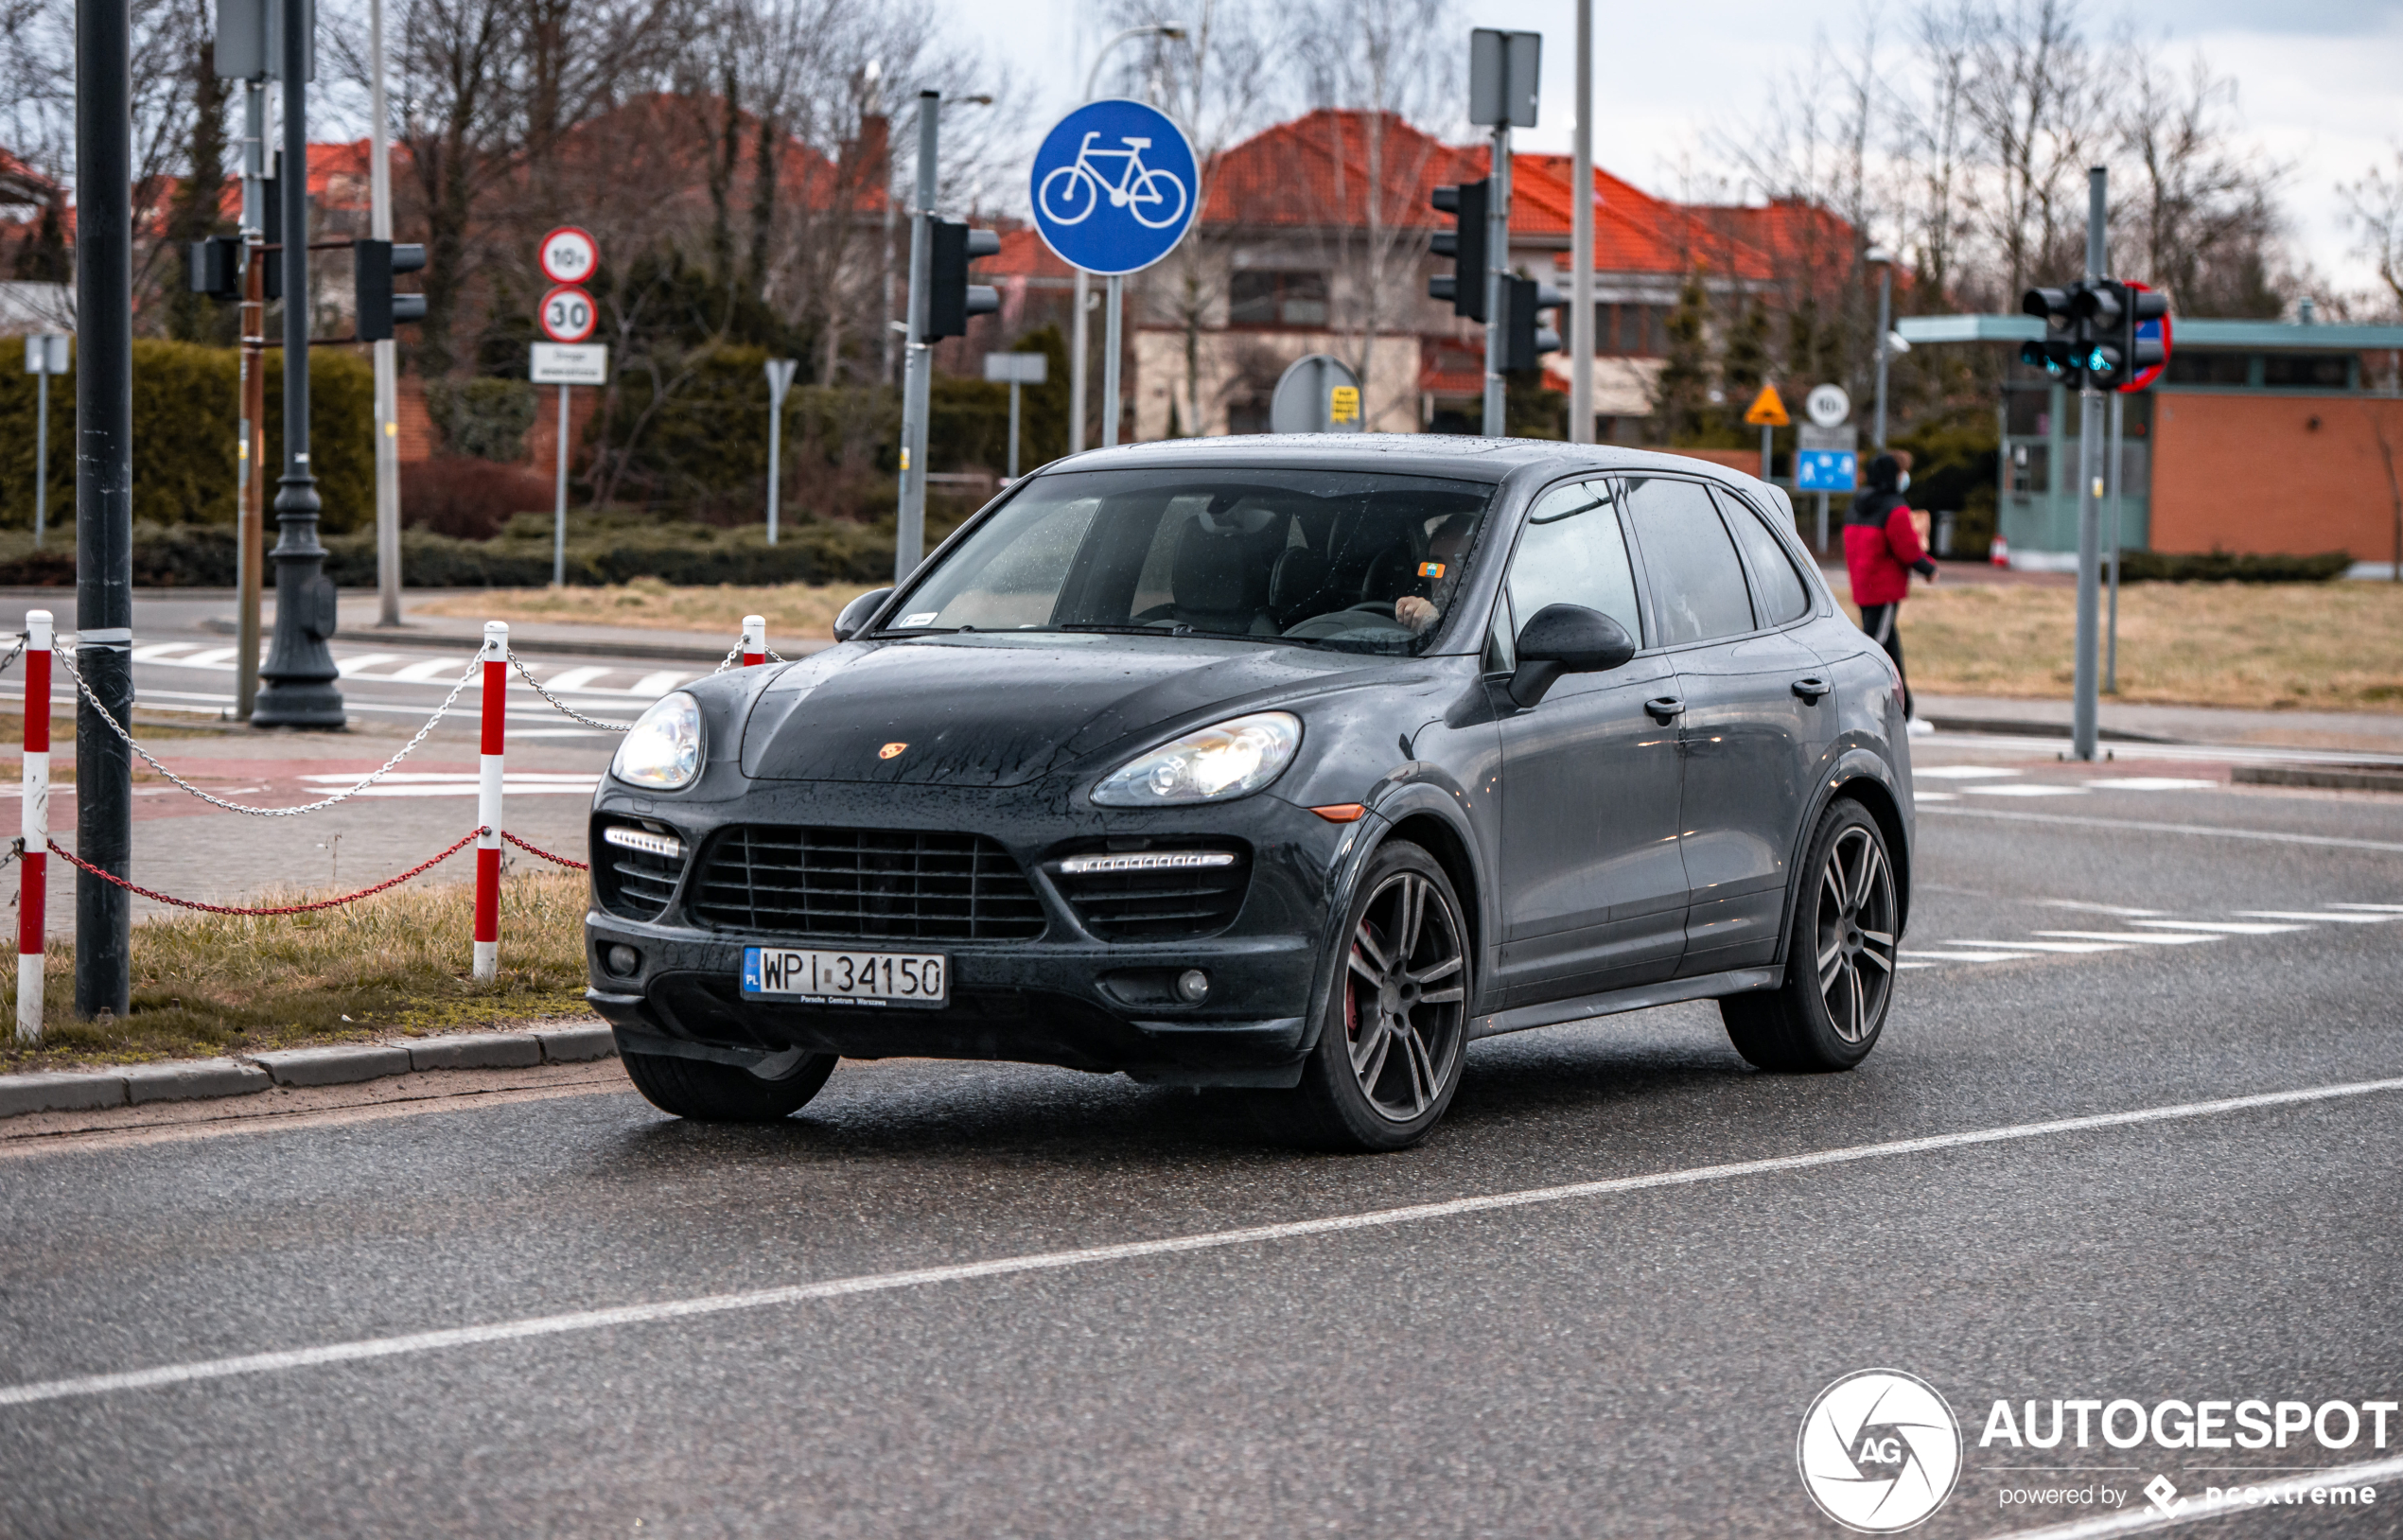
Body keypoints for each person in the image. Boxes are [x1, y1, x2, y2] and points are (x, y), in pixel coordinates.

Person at [1845, 451, 1938, 735]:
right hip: (1884, 588)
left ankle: (1905, 712)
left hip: (1863, 583)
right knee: (1876, 650)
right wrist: (1928, 568)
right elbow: (1906, 547)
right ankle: (1857, 707)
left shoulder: (1858, 504)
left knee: (1889, 647)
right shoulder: (1894, 508)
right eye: (1901, 472)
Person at [1395, 516, 1475, 635]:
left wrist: (1433, 626)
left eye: (1463, 565)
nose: (1450, 578)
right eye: (1437, 565)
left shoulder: (1487, 619)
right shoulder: (1416, 610)